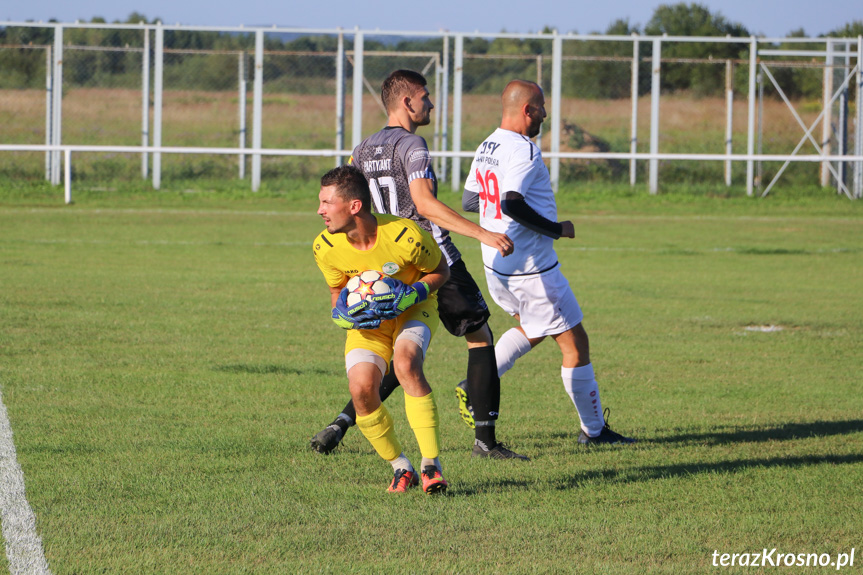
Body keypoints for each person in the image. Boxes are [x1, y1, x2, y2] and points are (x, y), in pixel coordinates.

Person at [310, 69, 528, 460]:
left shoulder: (361, 149)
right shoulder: (413, 145)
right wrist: (483, 234)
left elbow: (351, 194)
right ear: (407, 102)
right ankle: (486, 441)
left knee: (401, 357)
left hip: (382, 263)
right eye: (425, 97)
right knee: (478, 336)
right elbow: (425, 205)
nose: (430, 104)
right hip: (429, 257)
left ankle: (341, 422)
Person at [461, 79, 635, 445]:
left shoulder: (488, 143)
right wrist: (555, 229)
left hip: (498, 266)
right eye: (540, 107)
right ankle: (594, 432)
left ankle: (477, 381)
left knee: (536, 328)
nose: (545, 113)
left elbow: (470, 200)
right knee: (575, 344)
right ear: (527, 111)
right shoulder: (523, 149)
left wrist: (498, 224)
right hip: (532, 268)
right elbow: (510, 202)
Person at [313, 164, 451, 493]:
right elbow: (337, 293)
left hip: (413, 310)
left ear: (354, 206)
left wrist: (413, 293)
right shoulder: (325, 247)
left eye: (326, 203)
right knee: (361, 391)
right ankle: (401, 467)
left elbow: (441, 271)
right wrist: (341, 316)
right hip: (369, 325)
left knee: (406, 363)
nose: (320, 211)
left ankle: (431, 465)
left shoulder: (406, 235)